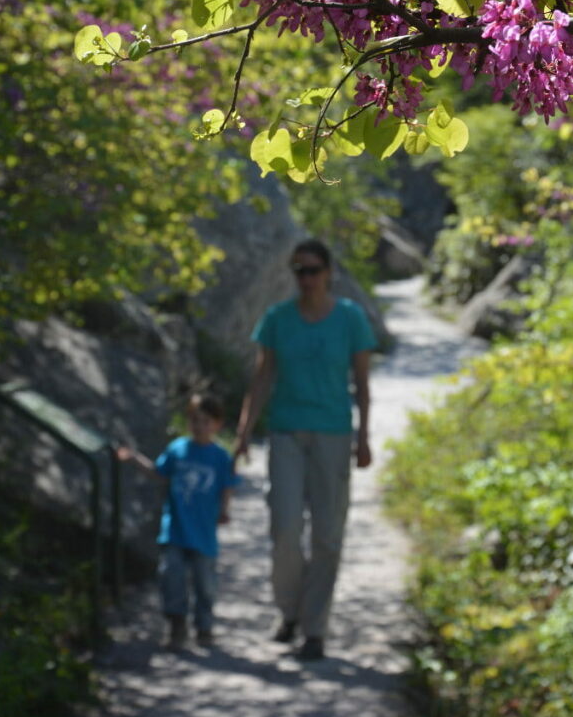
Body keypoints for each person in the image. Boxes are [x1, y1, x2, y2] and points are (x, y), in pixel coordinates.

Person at [234, 238, 377, 661]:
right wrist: (243, 431)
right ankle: (288, 612)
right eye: (299, 271)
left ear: (329, 273)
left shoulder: (350, 319)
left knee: (329, 536)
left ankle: (314, 628)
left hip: (333, 434)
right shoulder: (278, 319)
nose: (307, 279)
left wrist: (364, 436)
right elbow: (261, 378)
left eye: (314, 270)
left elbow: (363, 384)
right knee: (285, 530)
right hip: (286, 434)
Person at [116, 393, 239, 650]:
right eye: (195, 420)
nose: (200, 426)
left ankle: (204, 628)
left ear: (217, 424)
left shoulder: (220, 457)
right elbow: (158, 473)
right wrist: (133, 458)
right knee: (171, 576)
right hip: (174, 529)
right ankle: (176, 625)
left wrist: (225, 509)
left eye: (206, 421)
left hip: (204, 533)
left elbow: (227, 486)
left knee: (205, 583)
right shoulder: (178, 449)